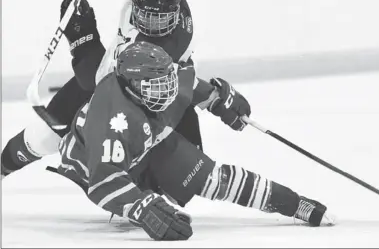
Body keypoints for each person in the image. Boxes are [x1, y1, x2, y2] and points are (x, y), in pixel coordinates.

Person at [1, 0, 215, 178]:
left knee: (183, 172)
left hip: (143, 103)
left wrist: (82, 38)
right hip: (120, 81)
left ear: (174, 10)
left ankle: (142, 188)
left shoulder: (152, 50)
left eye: (158, 19)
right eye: (143, 14)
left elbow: (99, 83)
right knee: (40, 137)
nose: (149, 23)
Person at [54, 40, 335, 241]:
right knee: (133, 190)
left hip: (148, 140)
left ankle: (294, 203)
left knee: (213, 179)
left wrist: (219, 99)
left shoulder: (152, 81)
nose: (166, 92)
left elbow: (189, 85)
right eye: (157, 87)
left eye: (167, 83)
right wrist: (142, 207)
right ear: (132, 88)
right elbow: (103, 181)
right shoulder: (111, 117)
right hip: (101, 162)